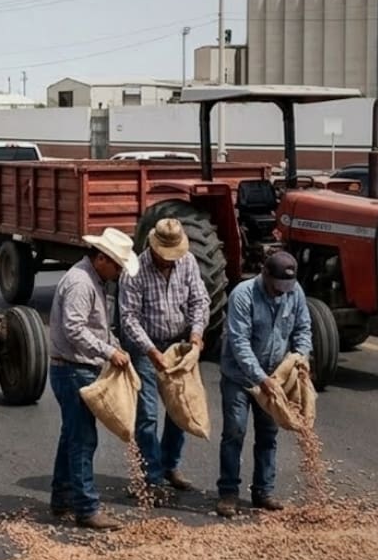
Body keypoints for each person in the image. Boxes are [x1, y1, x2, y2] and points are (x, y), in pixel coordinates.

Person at [49, 228, 140, 531]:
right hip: (72, 368)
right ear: (102, 258)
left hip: (75, 367)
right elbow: (75, 329)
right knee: (83, 439)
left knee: (71, 436)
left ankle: (62, 498)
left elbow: (98, 326)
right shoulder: (81, 283)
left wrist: (115, 346)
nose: (119, 273)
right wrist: (109, 352)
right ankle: (86, 508)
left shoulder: (95, 280)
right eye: (117, 266)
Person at [119, 218, 210, 502]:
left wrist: (196, 335)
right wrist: (151, 351)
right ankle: (152, 476)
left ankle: (170, 464)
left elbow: (199, 300)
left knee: (178, 408)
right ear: (153, 247)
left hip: (178, 343)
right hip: (145, 346)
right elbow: (129, 318)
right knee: (148, 414)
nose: (170, 260)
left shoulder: (187, 262)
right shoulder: (135, 270)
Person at [216, 252, 312, 518]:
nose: (281, 292)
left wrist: (301, 358)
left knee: (268, 435)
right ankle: (228, 493)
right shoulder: (243, 295)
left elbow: (303, 329)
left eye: (286, 287)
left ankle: (263, 491)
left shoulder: (294, 292)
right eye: (277, 286)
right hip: (240, 377)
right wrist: (261, 379)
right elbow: (239, 343)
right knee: (235, 432)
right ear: (265, 274)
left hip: (274, 377)